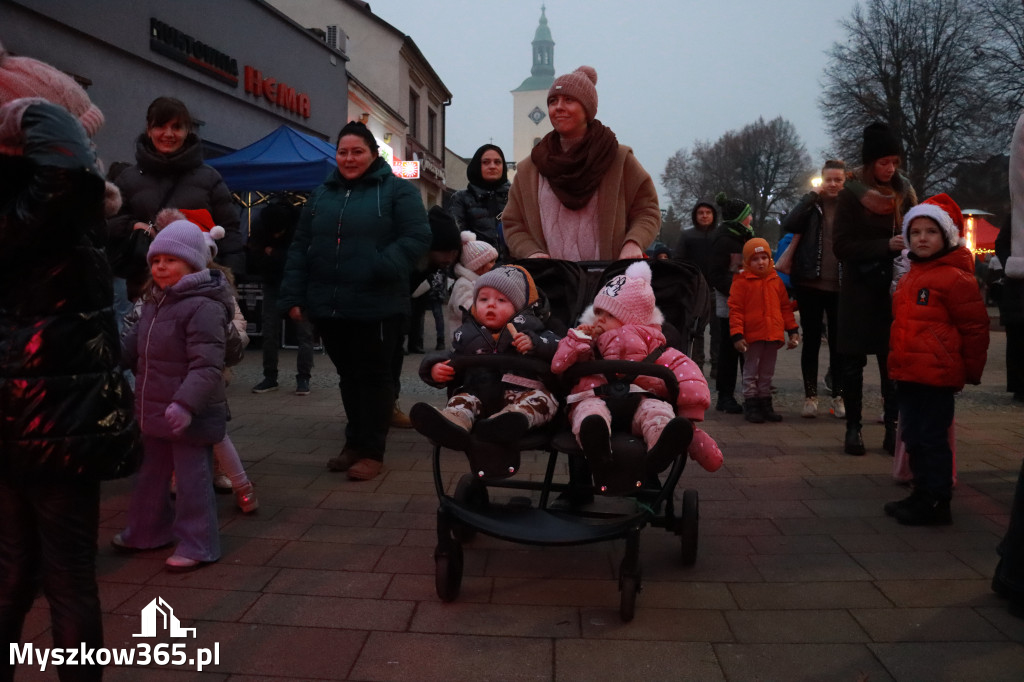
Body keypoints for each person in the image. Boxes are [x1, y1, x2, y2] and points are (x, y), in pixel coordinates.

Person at [0, 46, 140, 682]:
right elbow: (70, 170)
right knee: (63, 577)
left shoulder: (48, 209)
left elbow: (71, 174)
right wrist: (29, 109)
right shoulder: (38, 210)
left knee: (16, 569)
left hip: (38, 410)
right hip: (50, 412)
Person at [279, 120, 431, 480]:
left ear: (373, 154)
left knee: (375, 378)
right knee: (348, 377)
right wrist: (293, 296)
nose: (349, 158)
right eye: (343, 152)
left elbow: (418, 236)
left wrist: (381, 264)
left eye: (357, 151)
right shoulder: (321, 195)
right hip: (332, 303)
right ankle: (354, 442)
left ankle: (372, 451)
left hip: (378, 302)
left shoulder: (397, 191)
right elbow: (301, 246)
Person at [114, 219, 233, 571]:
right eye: (155, 260)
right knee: (151, 475)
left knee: (193, 481)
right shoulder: (155, 301)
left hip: (188, 413)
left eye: (171, 260)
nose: (161, 266)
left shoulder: (203, 306)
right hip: (154, 410)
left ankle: (199, 543)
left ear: (193, 263)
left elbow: (207, 366)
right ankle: (147, 530)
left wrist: (185, 404)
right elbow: (132, 348)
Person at [550, 261, 723, 491]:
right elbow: (559, 365)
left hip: (642, 399)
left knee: (658, 414)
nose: (599, 319)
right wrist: (576, 341)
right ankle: (596, 446)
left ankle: (659, 449)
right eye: (597, 312)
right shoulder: (588, 344)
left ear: (632, 319)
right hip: (597, 398)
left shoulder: (657, 348)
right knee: (588, 412)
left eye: (609, 314)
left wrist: (690, 408)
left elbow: (686, 371)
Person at [884, 194, 989, 525]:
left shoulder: (956, 278)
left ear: (946, 236)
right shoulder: (911, 275)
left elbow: (975, 328)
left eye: (931, 231)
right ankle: (921, 491)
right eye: (915, 232)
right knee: (912, 436)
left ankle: (937, 500)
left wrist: (970, 370)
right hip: (910, 373)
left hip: (937, 375)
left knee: (932, 438)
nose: (922, 238)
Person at [502, 66, 660, 260]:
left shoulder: (618, 159)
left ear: (587, 108)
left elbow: (647, 210)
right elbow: (513, 223)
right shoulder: (530, 169)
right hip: (551, 282)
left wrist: (633, 243)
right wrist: (532, 253)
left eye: (569, 100)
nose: (558, 107)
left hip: (609, 281)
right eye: (553, 101)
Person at [108, 97, 242, 302]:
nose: (168, 134)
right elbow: (107, 224)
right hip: (143, 291)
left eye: (177, 127)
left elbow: (229, 231)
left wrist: (229, 281)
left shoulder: (209, 177)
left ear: (188, 131)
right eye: (160, 126)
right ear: (149, 129)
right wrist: (133, 226)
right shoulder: (128, 178)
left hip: (199, 291)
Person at [834, 121, 916, 456]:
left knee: (892, 362)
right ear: (870, 163)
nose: (890, 168)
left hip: (894, 290)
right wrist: (885, 245)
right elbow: (842, 245)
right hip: (859, 289)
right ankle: (853, 428)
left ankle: (892, 428)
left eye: (894, 162)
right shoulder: (851, 195)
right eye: (884, 162)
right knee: (853, 364)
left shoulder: (906, 193)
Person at [414, 265, 560, 445]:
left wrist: (535, 343)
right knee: (462, 399)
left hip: (524, 393)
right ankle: (453, 421)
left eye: (501, 300)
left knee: (545, 400)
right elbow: (452, 357)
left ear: (519, 307)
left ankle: (508, 422)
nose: (491, 304)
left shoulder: (534, 330)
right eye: (483, 299)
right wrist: (436, 369)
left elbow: (559, 347)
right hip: (479, 394)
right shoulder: (467, 334)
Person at [780, 160, 847, 419]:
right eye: (828, 179)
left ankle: (838, 394)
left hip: (840, 284)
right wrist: (810, 197)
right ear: (821, 181)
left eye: (837, 180)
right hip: (809, 281)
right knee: (811, 342)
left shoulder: (850, 208)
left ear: (844, 182)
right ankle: (810, 396)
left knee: (839, 343)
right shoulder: (812, 205)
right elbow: (790, 223)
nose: (832, 184)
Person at [247, 199, 315, 395]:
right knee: (269, 330)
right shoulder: (261, 228)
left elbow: (299, 257)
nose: (276, 235)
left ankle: (303, 378)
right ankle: (270, 376)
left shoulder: (299, 226)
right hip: (272, 282)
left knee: (304, 332)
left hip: (297, 282)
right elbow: (256, 256)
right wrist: (278, 256)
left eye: (279, 232)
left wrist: (273, 253)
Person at [728, 238, 801, 423]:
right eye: (755, 259)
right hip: (752, 336)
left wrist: (792, 330)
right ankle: (751, 402)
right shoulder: (741, 281)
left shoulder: (775, 281)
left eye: (764, 258)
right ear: (747, 261)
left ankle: (765, 402)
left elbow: (785, 308)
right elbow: (735, 309)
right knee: (751, 370)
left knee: (767, 371)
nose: (761, 262)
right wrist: (737, 334)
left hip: (772, 335)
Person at [708, 192, 756, 414]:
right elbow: (717, 274)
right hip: (731, 304)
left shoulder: (741, 237)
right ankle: (725, 396)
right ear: (740, 218)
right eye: (749, 215)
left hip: (744, 301)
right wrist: (739, 290)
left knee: (744, 350)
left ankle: (748, 393)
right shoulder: (726, 240)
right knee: (730, 351)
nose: (752, 219)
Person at [673, 200, 720, 377]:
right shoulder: (687, 236)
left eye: (708, 212)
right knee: (697, 329)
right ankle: (697, 364)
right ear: (695, 215)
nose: (705, 215)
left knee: (718, 330)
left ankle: (717, 365)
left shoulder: (719, 235)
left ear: (714, 215)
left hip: (717, 288)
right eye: (701, 212)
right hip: (696, 289)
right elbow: (679, 261)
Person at [448, 143, 511, 260]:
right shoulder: (461, 198)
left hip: (512, 268)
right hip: (477, 267)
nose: (492, 166)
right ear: (477, 165)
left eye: (497, 162)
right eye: (486, 162)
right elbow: (458, 237)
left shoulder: (514, 196)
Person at [447, 230, 498, 334]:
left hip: (479, 337)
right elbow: (466, 311)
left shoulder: (482, 282)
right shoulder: (463, 285)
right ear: (478, 266)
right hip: (465, 341)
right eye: (491, 261)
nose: (494, 265)